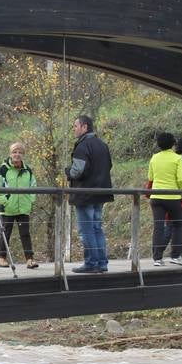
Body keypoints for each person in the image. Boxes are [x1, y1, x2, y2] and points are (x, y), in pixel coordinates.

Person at [67, 114, 113, 273]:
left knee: (86, 230)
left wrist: (68, 172)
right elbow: (109, 166)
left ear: (84, 127)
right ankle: (102, 263)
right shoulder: (102, 145)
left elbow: (77, 171)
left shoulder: (82, 146)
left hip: (84, 194)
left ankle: (91, 263)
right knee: (97, 228)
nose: (74, 129)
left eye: (75, 126)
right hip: (100, 193)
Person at [0, 142, 38, 268]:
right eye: (14, 152)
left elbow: (33, 185)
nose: (17, 154)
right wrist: (5, 201)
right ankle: (1, 258)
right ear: (10, 154)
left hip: (24, 207)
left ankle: (30, 259)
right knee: (5, 233)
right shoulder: (3, 169)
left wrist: (30, 200)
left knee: (25, 233)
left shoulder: (28, 170)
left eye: (20, 152)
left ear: (23, 155)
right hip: (8, 208)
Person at [146, 131, 182, 266]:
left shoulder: (154, 158)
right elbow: (180, 179)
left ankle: (157, 258)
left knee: (158, 227)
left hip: (156, 196)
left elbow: (150, 178)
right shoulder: (177, 158)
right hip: (173, 196)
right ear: (173, 144)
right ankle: (175, 255)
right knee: (178, 225)